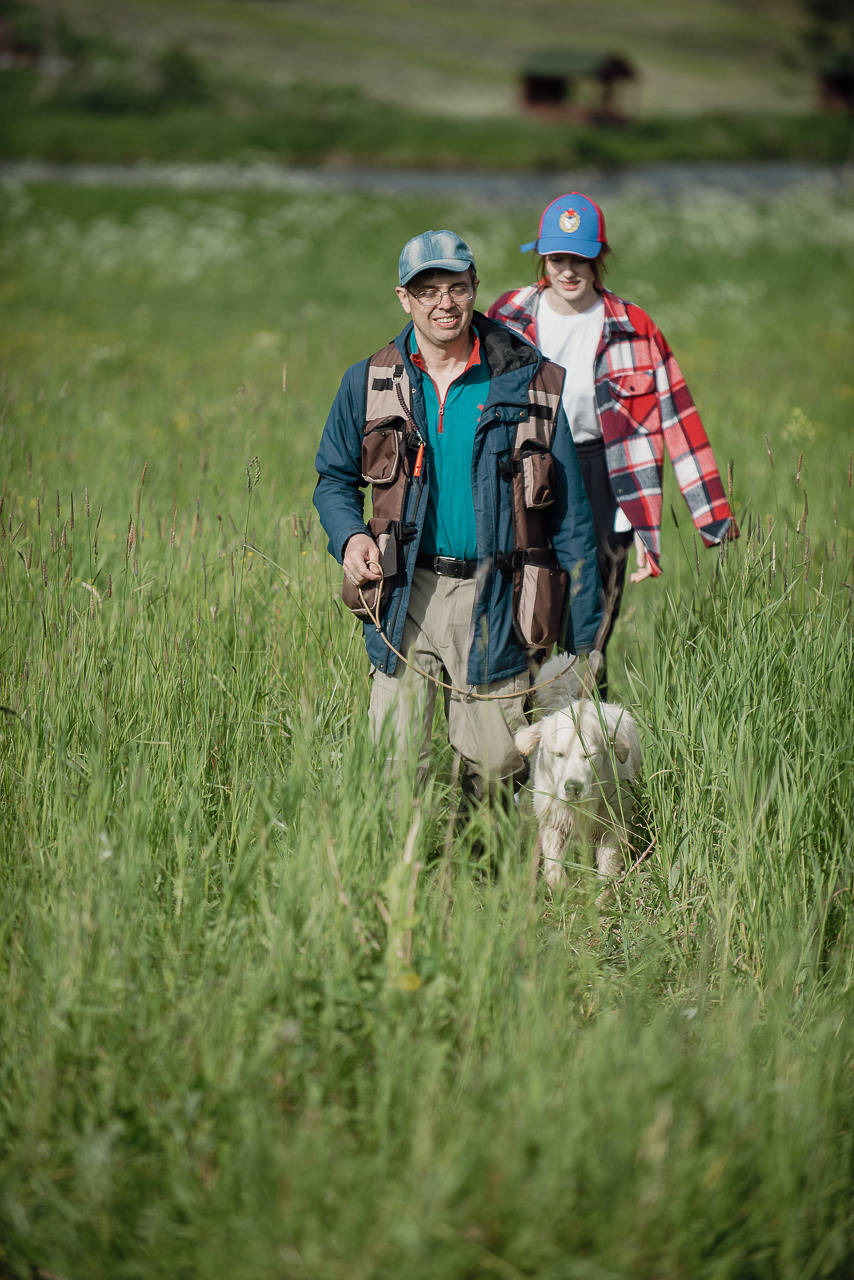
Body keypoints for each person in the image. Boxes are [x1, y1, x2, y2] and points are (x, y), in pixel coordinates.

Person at [313, 229, 602, 802]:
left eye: (456, 287)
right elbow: (333, 480)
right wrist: (348, 538)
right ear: (404, 298)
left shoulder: (532, 384)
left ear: (474, 290)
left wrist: (583, 641)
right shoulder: (369, 382)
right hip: (404, 589)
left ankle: (482, 856)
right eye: (427, 291)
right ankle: (407, 876)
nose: (443, 303)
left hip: (495, 592)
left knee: (499, 762)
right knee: (396, 764)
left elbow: (571, 521)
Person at [488, 193, 738, 693]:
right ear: (543, 257)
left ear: (599, 258)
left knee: (595, 600)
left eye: (580, 259)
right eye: (558, 258)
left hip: (604, 469)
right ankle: (528, 714)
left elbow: (678, 415)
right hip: (528, 463)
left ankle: (587, 721)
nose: (568, 270)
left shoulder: (633, 326)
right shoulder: (508, 315)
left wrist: (712, 517)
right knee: (529, 590)